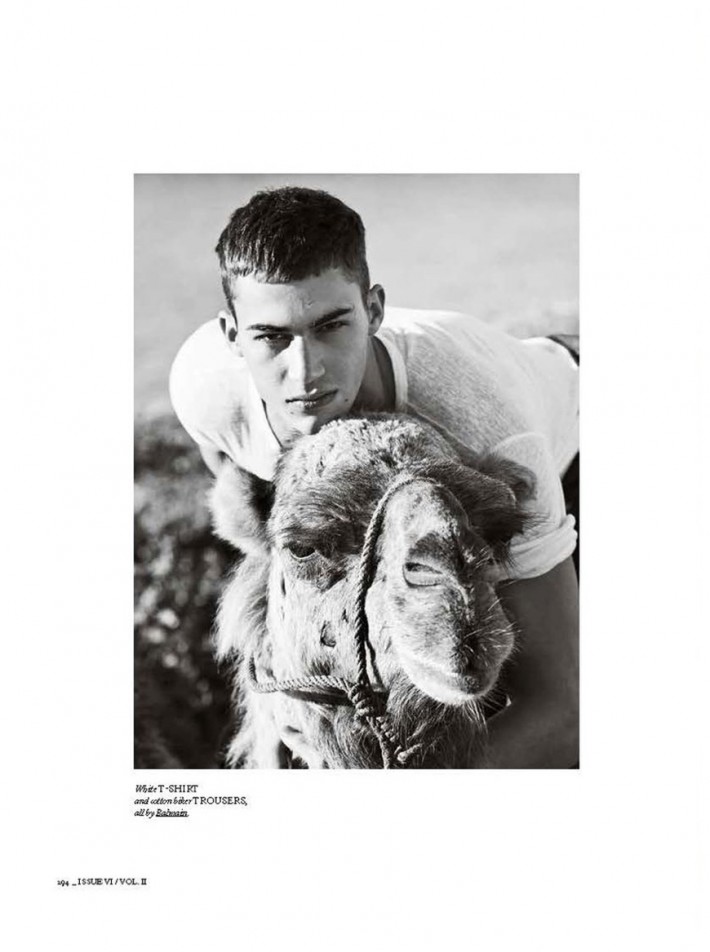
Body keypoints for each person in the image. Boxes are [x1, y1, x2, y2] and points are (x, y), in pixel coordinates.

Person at [169, 186, 579, 768]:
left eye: (332, 326)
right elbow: (261, 519)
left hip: (571, 441)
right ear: (232, 335)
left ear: (375, 311)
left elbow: (565, 711)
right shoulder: (210, 394)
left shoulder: (488, 429)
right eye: (272, 337)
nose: (305, 374)